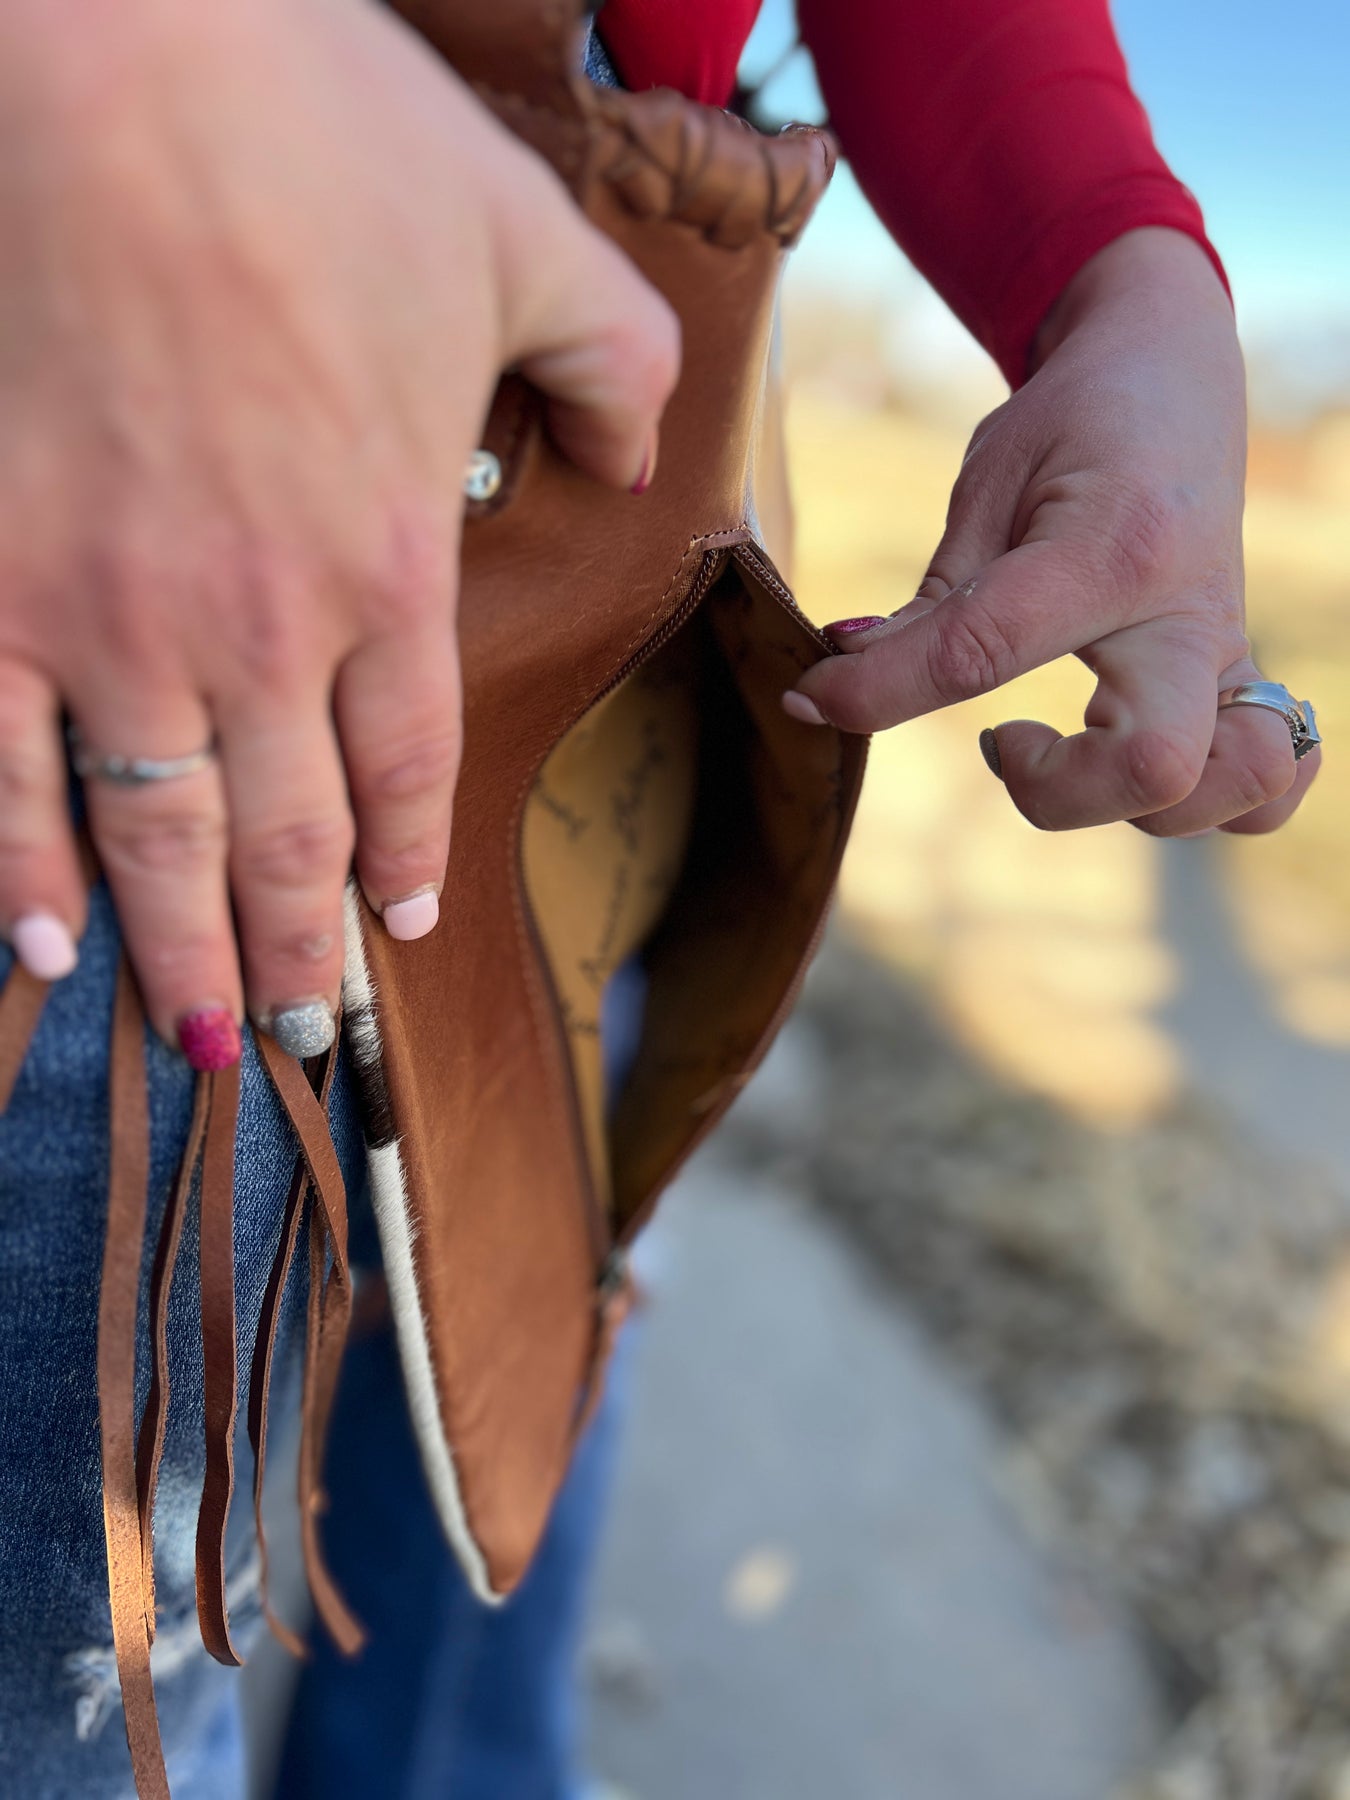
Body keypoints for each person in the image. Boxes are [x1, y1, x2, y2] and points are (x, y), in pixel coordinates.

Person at [0, 1, 1320, 1795]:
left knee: (532, 1314)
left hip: (614, 485)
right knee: (82, 1691)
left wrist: (1120, 269)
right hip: (161, 308)